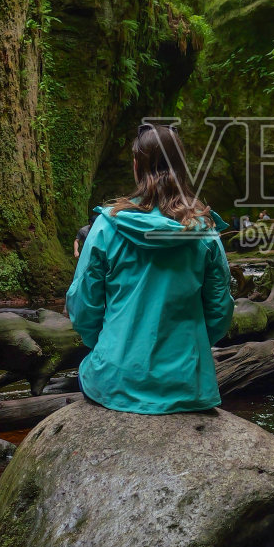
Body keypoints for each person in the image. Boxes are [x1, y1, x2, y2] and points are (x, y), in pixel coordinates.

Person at [65, 122, 235, 413]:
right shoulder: (204, 232)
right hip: (186, 382)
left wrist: (107, 345)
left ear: (136, 166)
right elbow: (220, 311)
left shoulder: (106, 227)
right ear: (182, 167)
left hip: (115, 376)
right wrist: (188, 349)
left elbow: (83, 306)